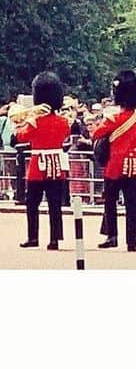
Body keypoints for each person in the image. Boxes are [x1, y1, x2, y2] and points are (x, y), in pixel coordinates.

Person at [91, 70, 136, 252]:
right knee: (132, 206)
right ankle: (131, 242)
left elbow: (95, 134)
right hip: (134, 167)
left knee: (110, 203)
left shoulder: (113, 118)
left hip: (114, 167)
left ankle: (112, 236)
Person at [15, 72, 70, 251]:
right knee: (55, 204)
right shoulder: (63, 121)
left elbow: (21, 136)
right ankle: (54, 239)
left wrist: (28, 121)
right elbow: (64, 136)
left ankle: (33, 237)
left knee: (32, 203)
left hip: (38, 166)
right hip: (56, 165)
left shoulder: (35, 122)